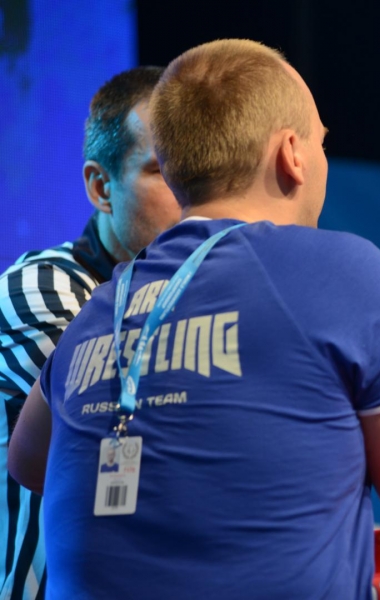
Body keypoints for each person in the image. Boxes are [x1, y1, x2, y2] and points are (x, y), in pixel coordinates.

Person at [8, 39, 380, 599]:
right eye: (321, 142)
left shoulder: (104, 303)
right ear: (292, 153)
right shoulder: (341, 270)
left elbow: (29, 462)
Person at [0, 66, 180, 599]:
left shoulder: (208, 294)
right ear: (102, 187)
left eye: (194, 172)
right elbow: (142, 434)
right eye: (162, 171)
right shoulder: (41, 288)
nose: (190, 195)